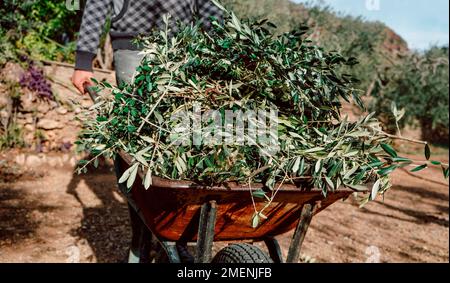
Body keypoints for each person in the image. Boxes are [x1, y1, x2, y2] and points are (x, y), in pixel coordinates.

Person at [71, 0, 223, 263]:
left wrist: (225, 50)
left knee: (179, 148)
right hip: (133, 48)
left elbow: (207, 5)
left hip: (180, 51)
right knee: (137, 148)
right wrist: (84, 58)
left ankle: (174, 238)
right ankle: (140, 240)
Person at [72, 0, 222, 92]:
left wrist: (221, 52)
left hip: (182, 51)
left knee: (178, 126)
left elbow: (210, 8)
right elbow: (97, 4)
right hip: (132, 49)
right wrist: (83, 61)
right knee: (136, 121)